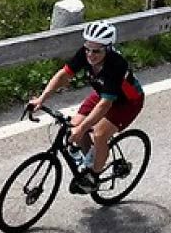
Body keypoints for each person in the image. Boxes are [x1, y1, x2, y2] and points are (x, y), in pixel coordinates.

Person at [28, 21, 145, 194]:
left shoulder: (116, 65)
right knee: (73, 127)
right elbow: (63, 75)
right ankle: (91, 157)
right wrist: (41, 99)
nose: (90, 54)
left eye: (96, 51)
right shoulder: (85, 54)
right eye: (88, 48)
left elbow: (106, 105)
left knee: (98, 134)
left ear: (108, 48)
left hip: (127, 102)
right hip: (102, 93)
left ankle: (94, 177)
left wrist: (83, 129)